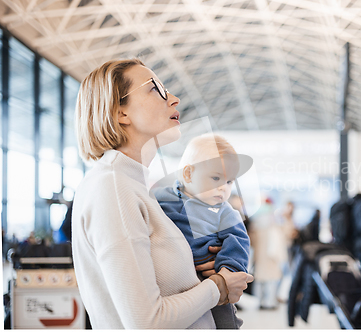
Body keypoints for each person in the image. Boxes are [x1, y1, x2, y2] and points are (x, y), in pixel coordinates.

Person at [71, 58, 253, 329]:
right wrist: (219, 287)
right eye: (155, 89)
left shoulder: (136, 187)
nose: (175, 99)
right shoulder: (114, 188)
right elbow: (146, 322)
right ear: (121, 113)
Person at [154, 134, 250, 329]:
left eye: (229, 182)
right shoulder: (161, 199)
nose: (223, 188)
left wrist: (226, 274)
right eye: (216, 178)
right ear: (188, 174)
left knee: (224, 321)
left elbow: (238, 243)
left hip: (212, 283)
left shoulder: (225, 213)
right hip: (174, 288)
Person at [249, 197, 287, 310]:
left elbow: (252, 240)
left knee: (260, 279)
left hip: (260, 255)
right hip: (271, 255)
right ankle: (269, 302)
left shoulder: (255, 220)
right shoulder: (273, 220)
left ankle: (261, 302)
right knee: (271, 279)